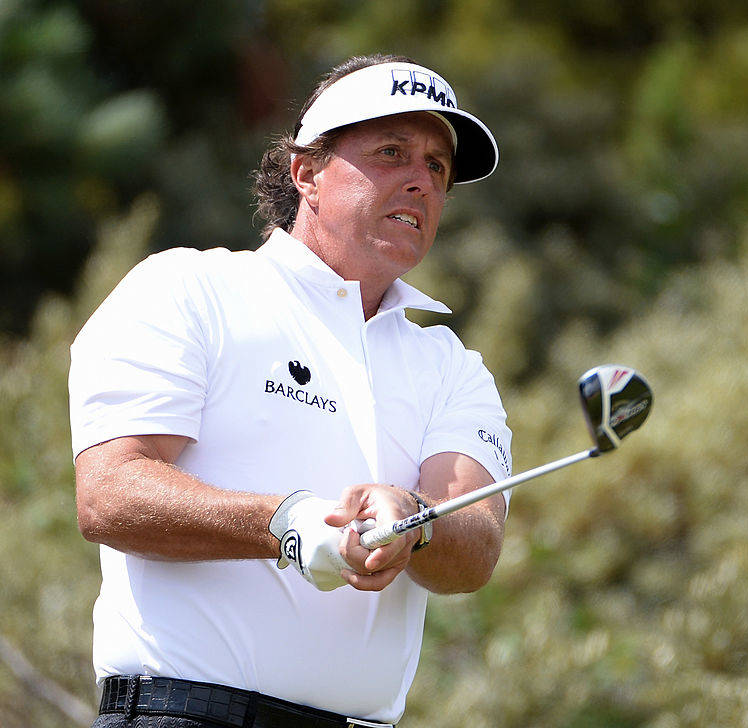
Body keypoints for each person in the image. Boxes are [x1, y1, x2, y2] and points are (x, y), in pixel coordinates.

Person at [69, 53, 513, 728]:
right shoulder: (192, 290)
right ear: (307, 171)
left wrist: (412, 521)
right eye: (392, 152)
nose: (421, 183)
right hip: (182, 715)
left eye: (437, 167)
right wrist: (289, 522)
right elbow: (109, 493)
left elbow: (475, 544)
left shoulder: (451, 364)